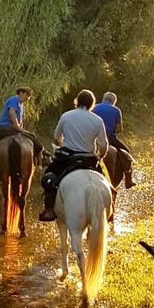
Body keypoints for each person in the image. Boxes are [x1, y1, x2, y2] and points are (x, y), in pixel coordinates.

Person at [39, 89, 109, 222]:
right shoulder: (97, 120)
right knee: (106, 182)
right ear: (92, 104)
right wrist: (100, 156)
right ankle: (109, 210)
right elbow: (104, 145)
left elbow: (56, 137)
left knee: (49, 177)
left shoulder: (66, 116)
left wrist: (63, 143)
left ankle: (48, 209)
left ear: (77, 101)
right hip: (89, 159)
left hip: (67, 158)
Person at [0, 87, 43, 182]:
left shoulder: (21, 105)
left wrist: (20, 127)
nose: (27, 98)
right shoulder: (14, 100)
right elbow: (11, 113)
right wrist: (19, 128)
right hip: (6, 128)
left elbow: (19, 120)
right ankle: (39, 161)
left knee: (0, 146)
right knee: (33, 136)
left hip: (12, 128)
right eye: (27, 95)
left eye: (29, 96)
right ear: (21, 93)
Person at [93, 92, 135, 187]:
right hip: (109, 137)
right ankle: (128, 179)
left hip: (93, 137)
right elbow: (119, 129)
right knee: (126, 152)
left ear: (103, 99)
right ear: (113, 102)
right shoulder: (116, 110)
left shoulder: (94, 107)